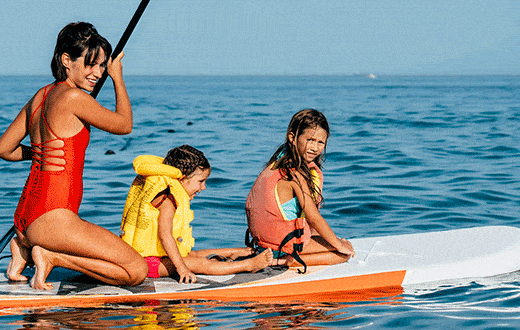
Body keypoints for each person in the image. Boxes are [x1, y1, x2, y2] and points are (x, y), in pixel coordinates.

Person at [0, 22, 148, 290]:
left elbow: (3, 149)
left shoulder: (41, 95)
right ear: (67, 60)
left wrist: (37, 153)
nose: (98, 73)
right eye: (90, 64)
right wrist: (118, 77)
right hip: (54, 219)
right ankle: (50, 255)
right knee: (136, 270)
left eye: (102, 66)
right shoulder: (74, 98)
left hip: (25, 216)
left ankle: (24, 246)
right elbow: (124, 125)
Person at [120, 145, 273, 283]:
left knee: (194, 255)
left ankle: (235, 252)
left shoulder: (165, 192)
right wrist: (182, 268)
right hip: (147, 264)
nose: (203, 187)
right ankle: (248, 265)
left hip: (150, 258)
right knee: (199, 263)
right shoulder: (166, 201)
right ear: (182, 179)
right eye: (201, 181)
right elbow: (165, 236)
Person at [245, 109, 354, 270]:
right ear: (292, 137)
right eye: (310, 140)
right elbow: (313, 217)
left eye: (320, 142)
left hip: (266, 242)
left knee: (324, 237)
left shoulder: (275, 165)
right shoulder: (294, 175)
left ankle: (287, 256)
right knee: (343, 254)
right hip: (281, 247)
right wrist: (338, 245)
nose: (315, 148)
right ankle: (288, 261)